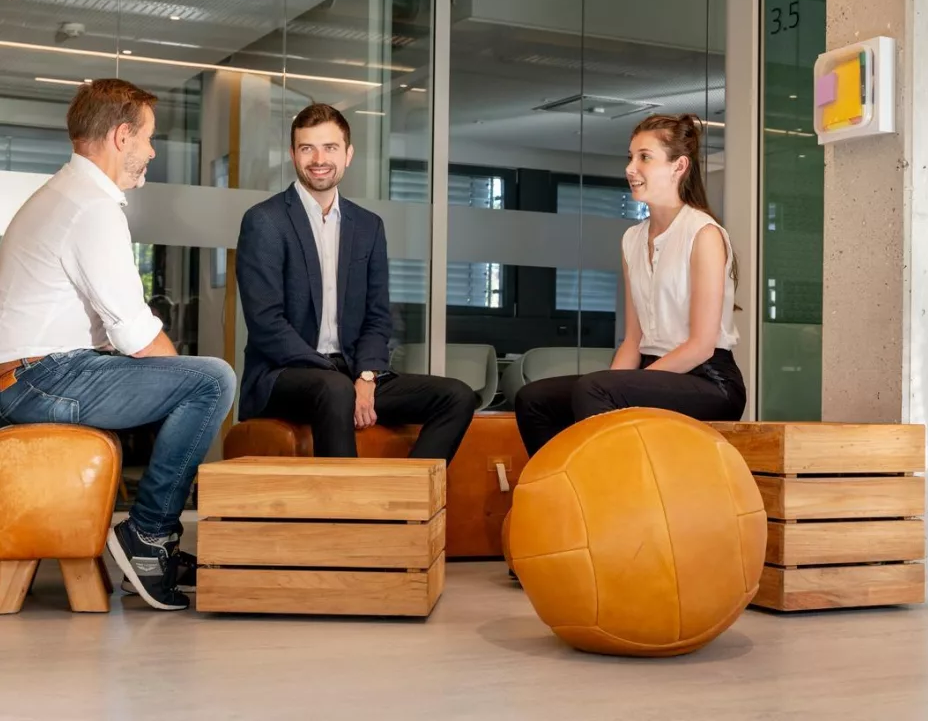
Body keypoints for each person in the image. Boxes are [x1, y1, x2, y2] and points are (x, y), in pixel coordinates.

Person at [0, 79, 236, 611]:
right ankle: (148, 539)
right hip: (43, 378)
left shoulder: (63, 193)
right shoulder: (91, 206)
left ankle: (149, 541)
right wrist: (184, 385)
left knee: (186, 384)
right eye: (149, 138)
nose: (152, 152)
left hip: (29, 375)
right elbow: (134, 332)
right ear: (123, 136)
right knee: (212, 379)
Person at [236, 104, 477, 462]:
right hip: (283, 375)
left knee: (457, 395)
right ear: (293, 154)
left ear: (348, 154)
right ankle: (345, 514)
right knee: (335, 388)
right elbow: (267, 324)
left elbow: (378, 316)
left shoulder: (368, 226)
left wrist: (365, 377)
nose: (319, 158)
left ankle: (403, 502)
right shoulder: (265, 221)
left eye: (330, 147)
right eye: (307, 148)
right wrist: (341, 379)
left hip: (351, 371)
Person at [514, 113, 746, 456]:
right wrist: (614, 385)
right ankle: (562, 490)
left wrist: (615, 387)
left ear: (678, 166)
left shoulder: (703, 234)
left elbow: (700, 346)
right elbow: (634, 340)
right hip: (653, 372)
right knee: (534, 399)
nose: (630, 168)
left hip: (708, 381)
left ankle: (603, 497)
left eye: (645, 157)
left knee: (596, 388)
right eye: (630, 157)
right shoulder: (632, 240)